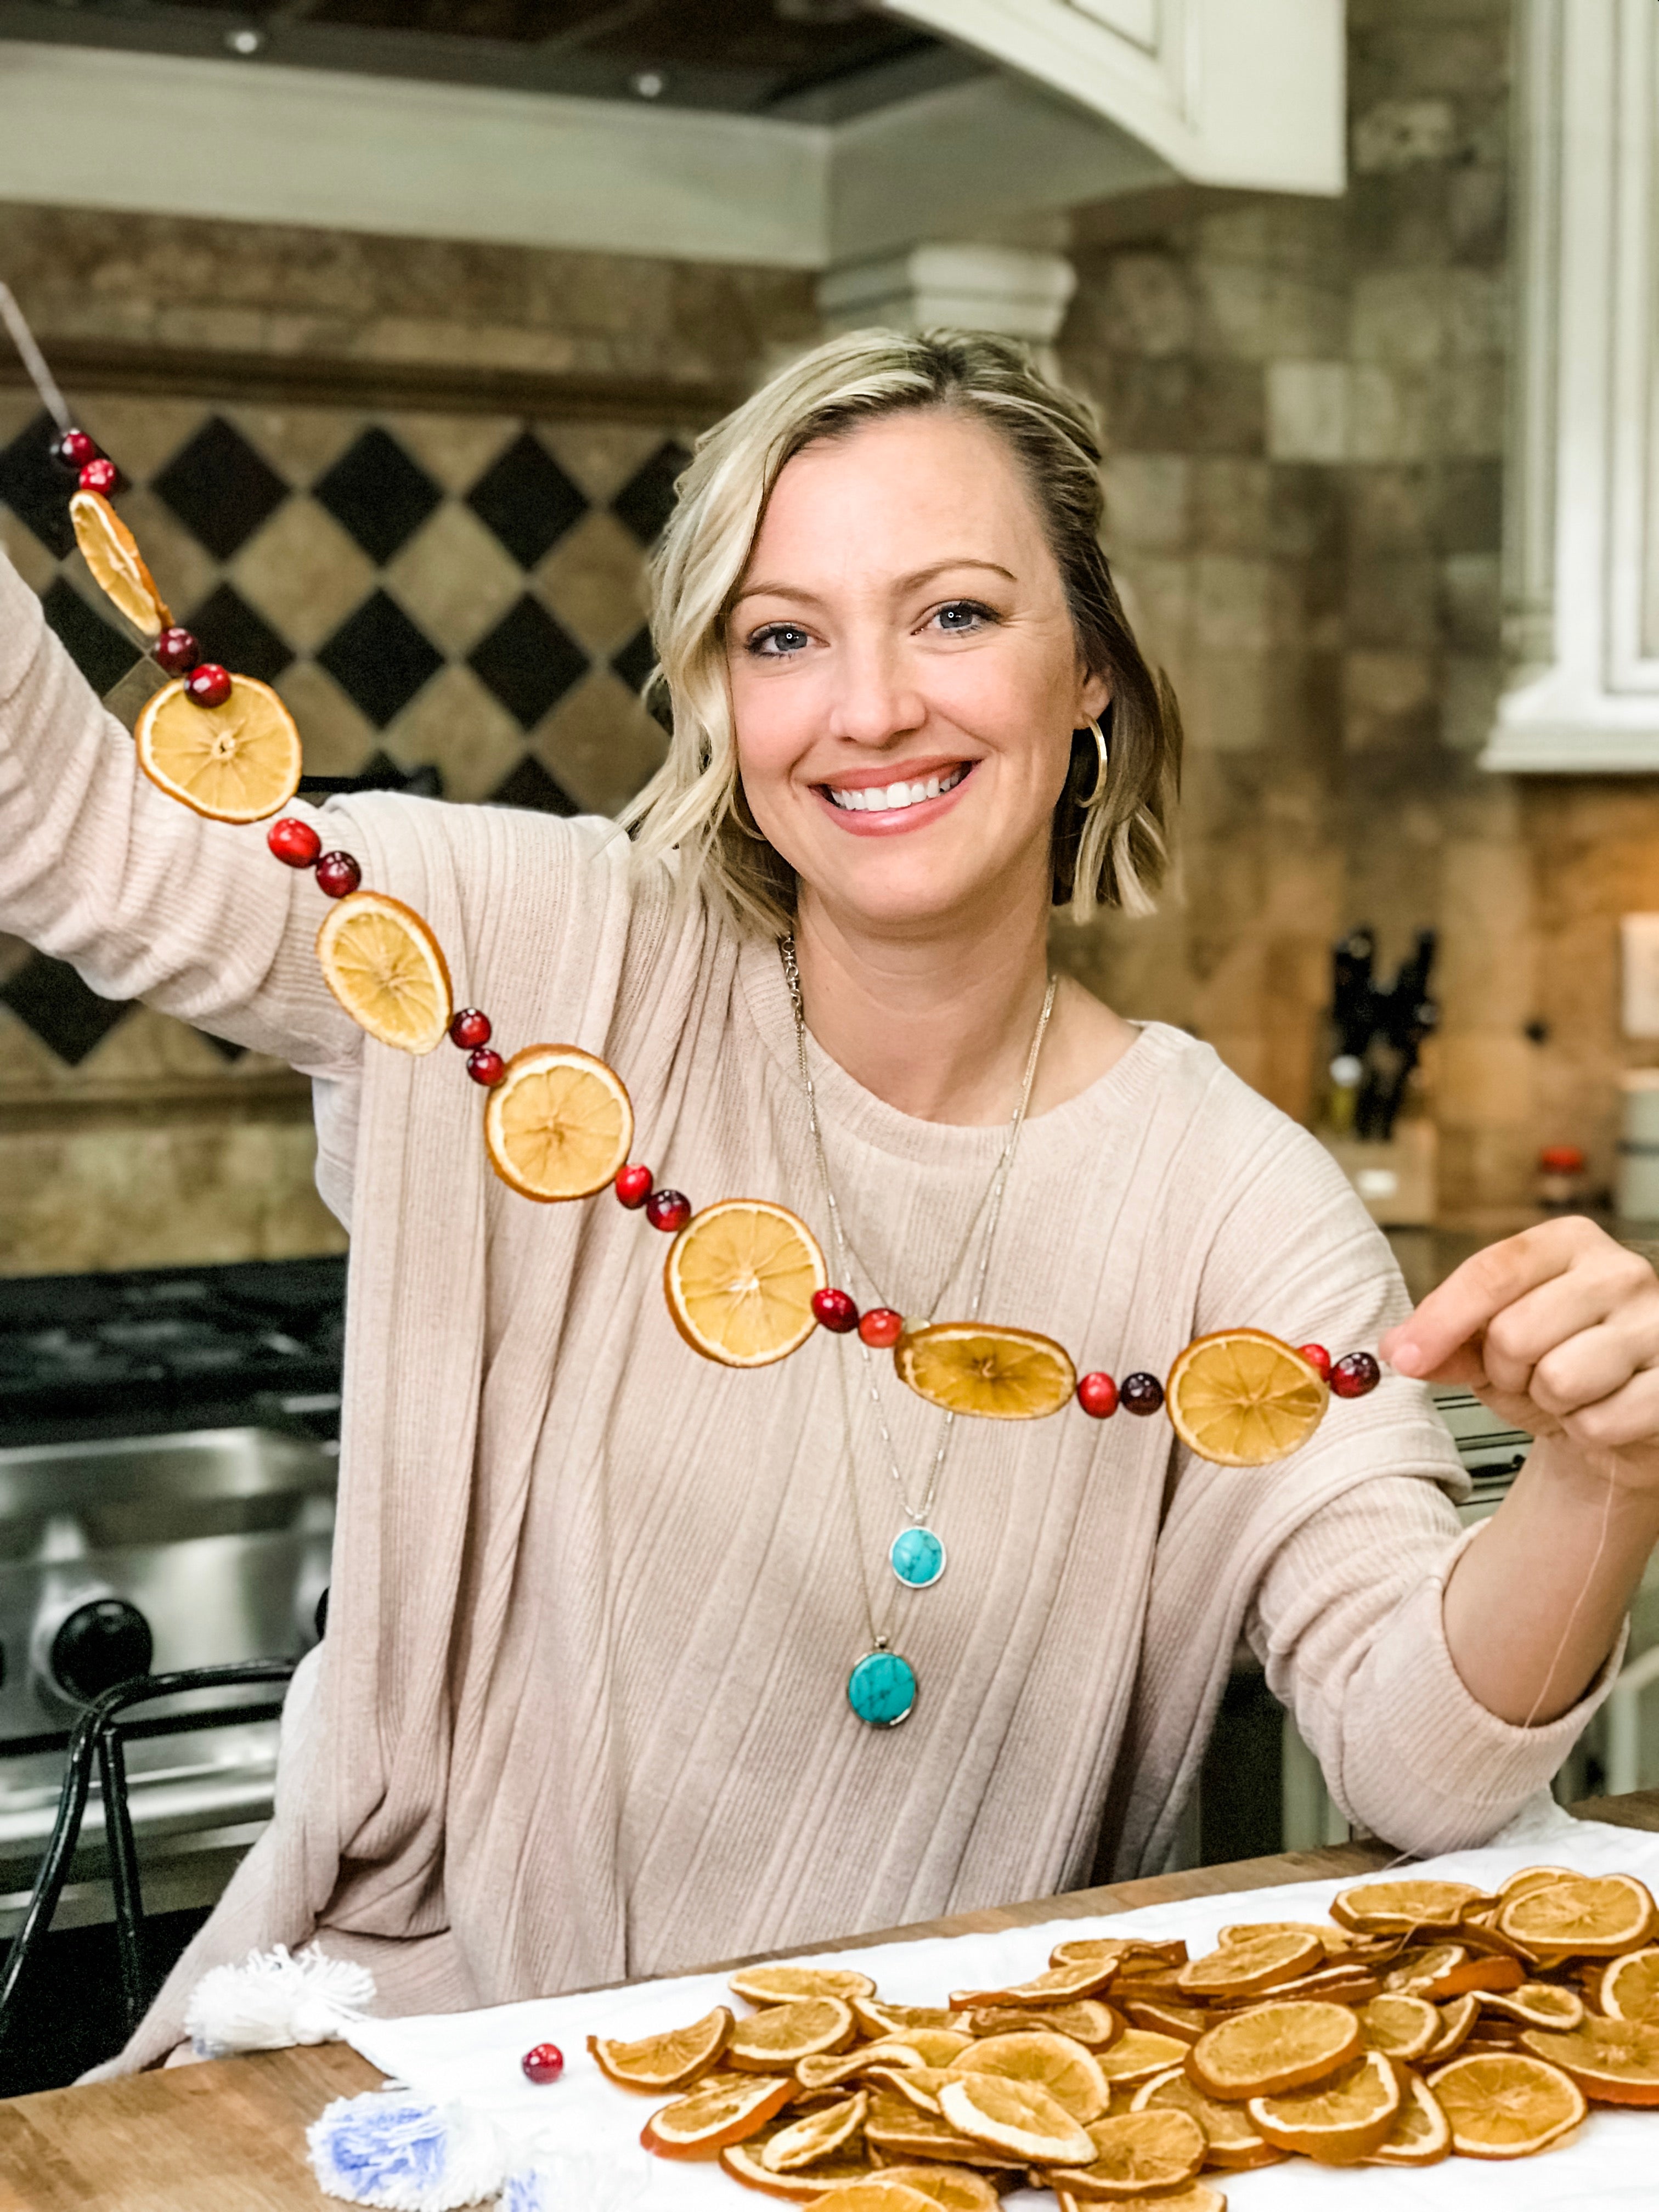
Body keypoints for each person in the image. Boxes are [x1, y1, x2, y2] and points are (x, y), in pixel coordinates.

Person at [1, 331, 1655, 2078]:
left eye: (953, 614)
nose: (868, 708)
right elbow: (70, 836)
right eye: (784, 635)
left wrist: (1602, 1475)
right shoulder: (542, 956)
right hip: (396, 2096)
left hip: (902, 2131)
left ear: (1088, 663)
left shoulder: (1233, 1199)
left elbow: (1424, 1767)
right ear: (723, 692)